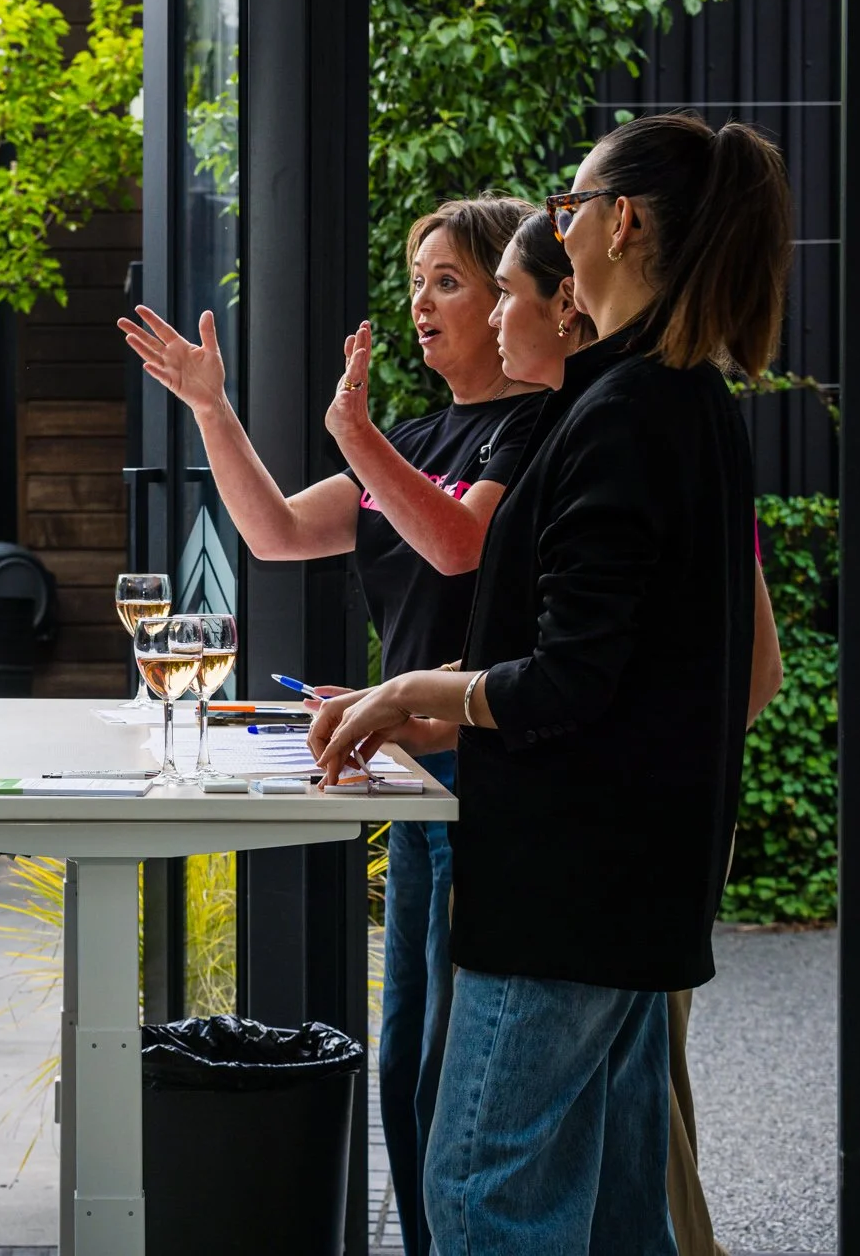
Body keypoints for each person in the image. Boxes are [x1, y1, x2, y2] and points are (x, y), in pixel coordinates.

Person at [309, 112, 792, 1255]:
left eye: (566, 211)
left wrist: (409, 691)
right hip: (631, 878)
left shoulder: (621, 415)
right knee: (618, 1201)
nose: (556, 235)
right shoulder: (679, 403)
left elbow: (574, 678)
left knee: (482, 1188)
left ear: (619, 224)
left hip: (571, 884)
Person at [121, 196, 546, 1256]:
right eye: (414, 279)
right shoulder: (413, 434)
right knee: (401, 1066)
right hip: (411, 791)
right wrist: (212, 408)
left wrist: (354, 438)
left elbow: (456, 548)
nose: (419, 302)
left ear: (507, 293)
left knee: (458, 1079)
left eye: (444, 279)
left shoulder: (534, 422)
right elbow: (269, 532)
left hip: (493, 789)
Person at [493, 208, 786, 1256]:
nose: (487, 316)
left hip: (606, 852)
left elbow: (747, 672)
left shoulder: (630, 428)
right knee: (623, 1169)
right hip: (623, 845)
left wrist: (636, 761)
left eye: (498, 291)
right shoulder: (629, 421)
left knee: (629, 1166)